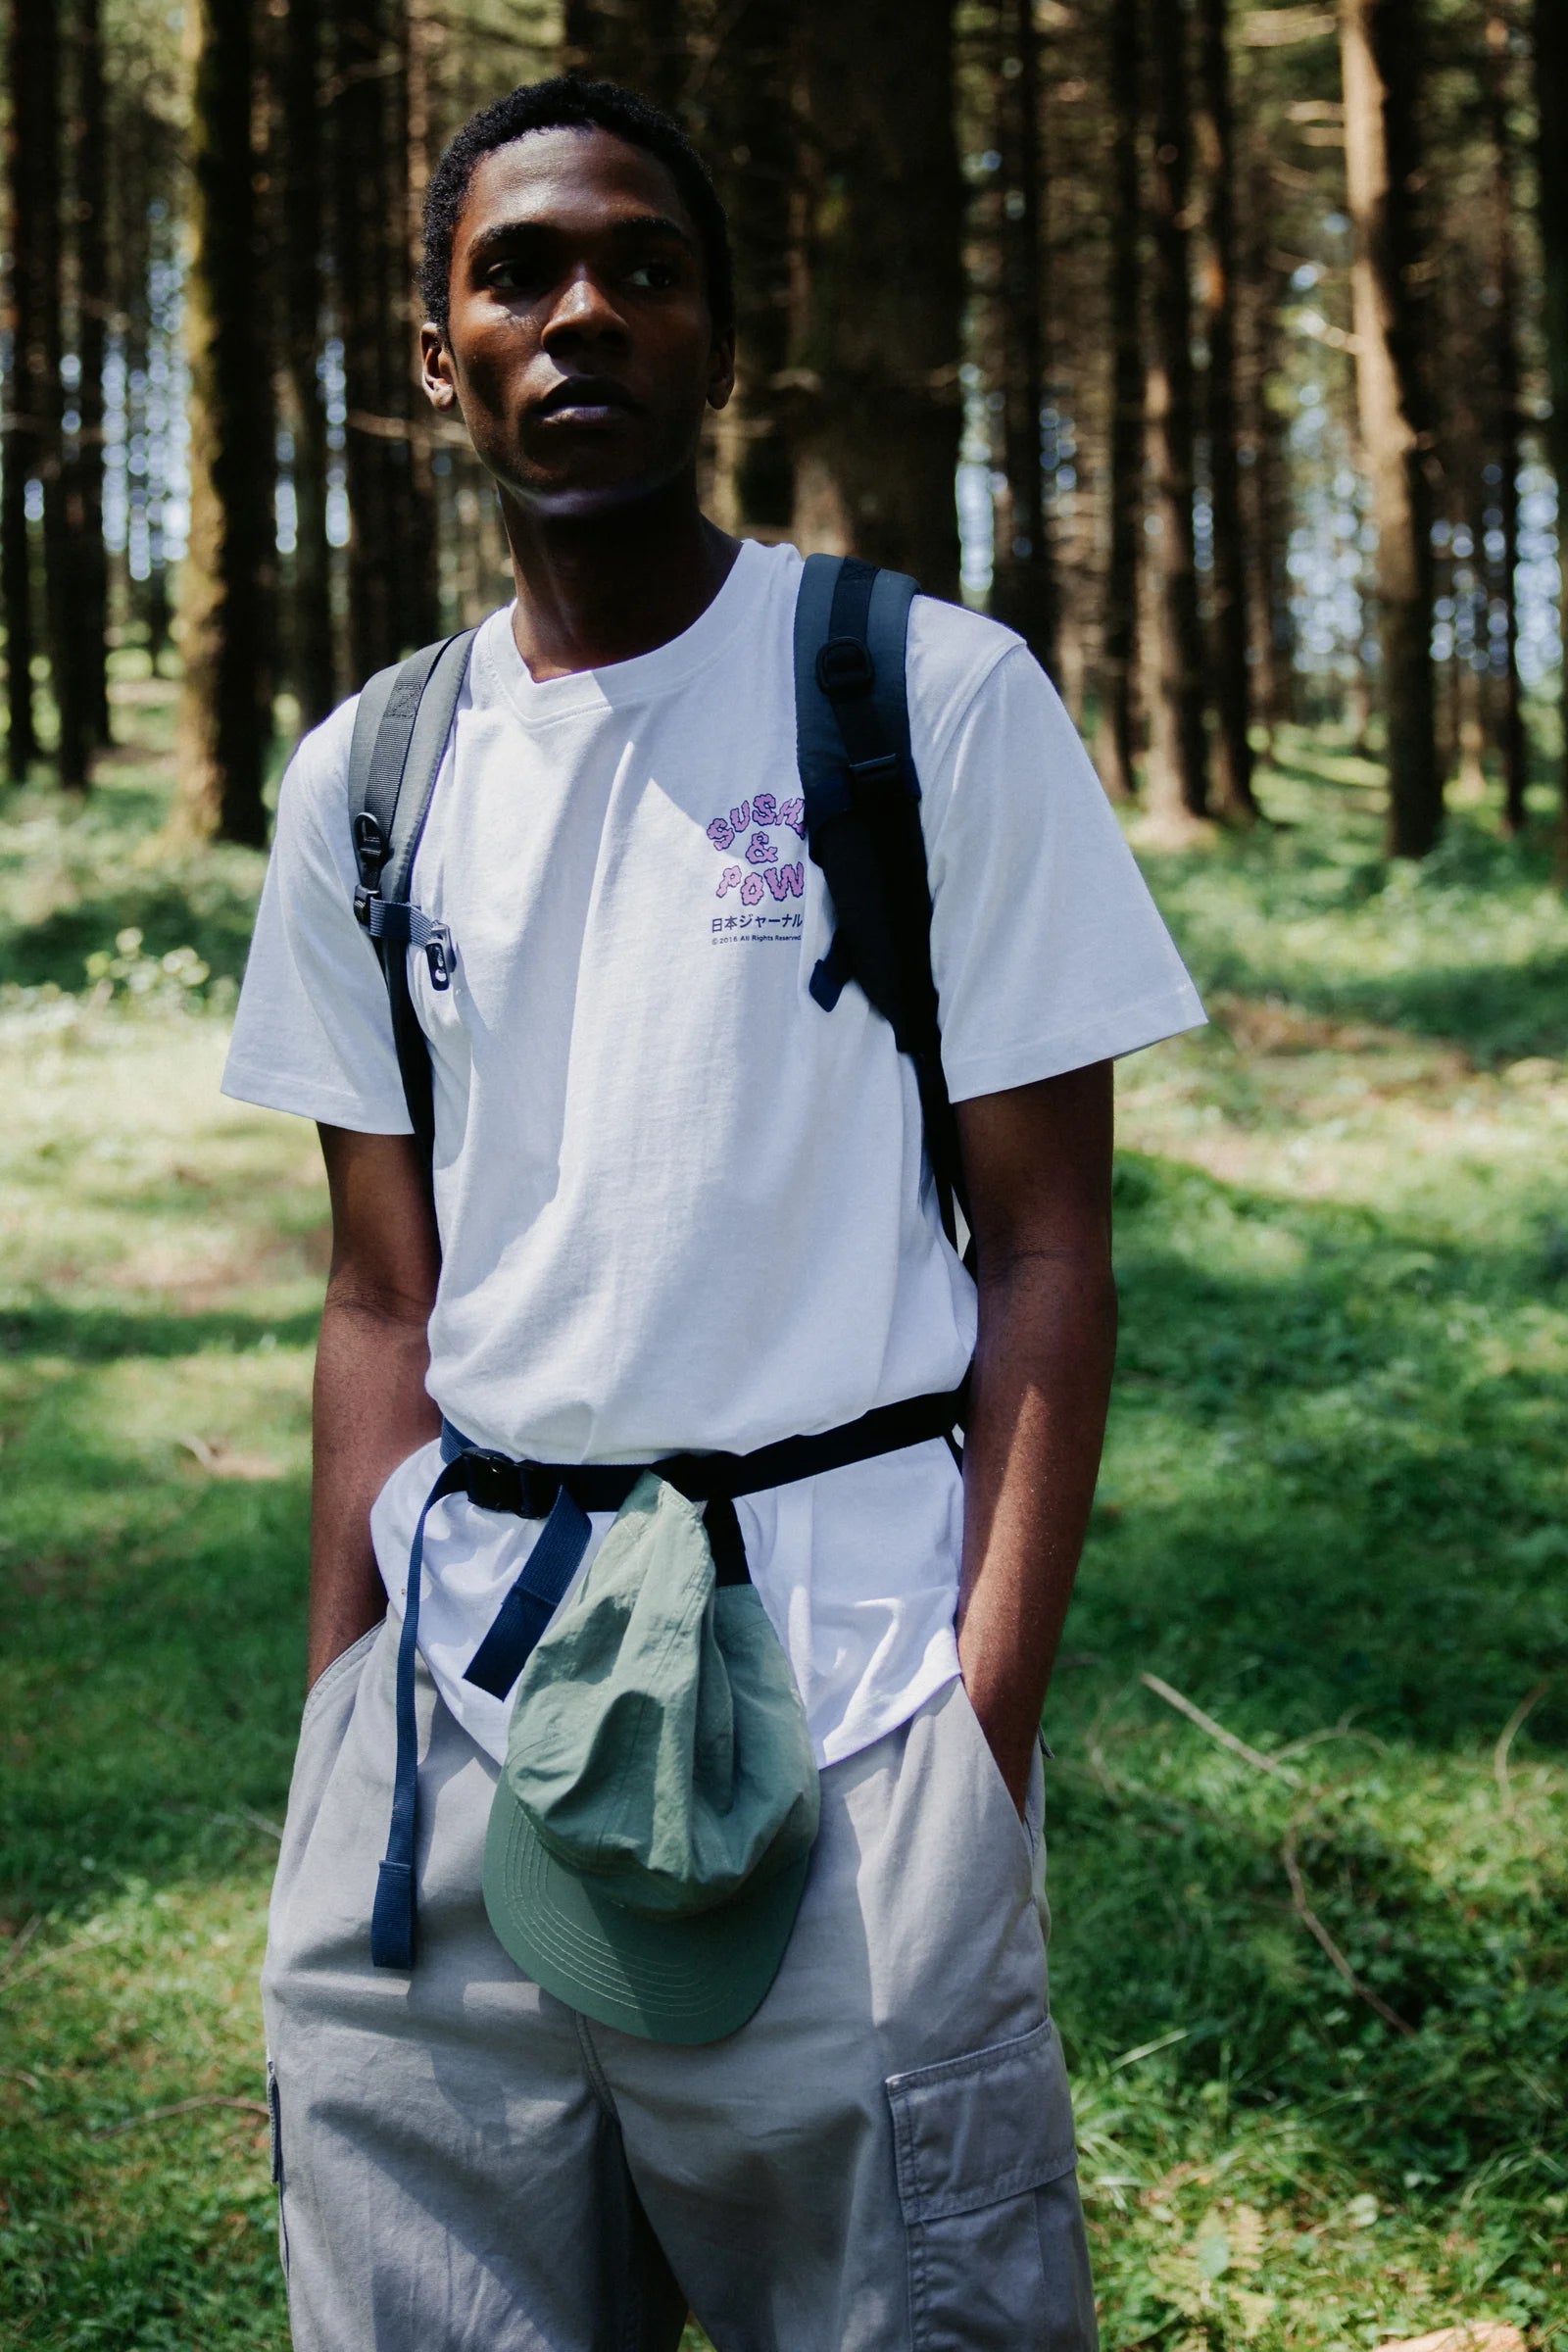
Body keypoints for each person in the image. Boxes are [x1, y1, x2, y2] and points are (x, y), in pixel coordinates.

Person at [222, 74, 1204, 2352]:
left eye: (639, 270)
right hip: (451, 1745)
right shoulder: (370, 775)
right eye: (519, 274)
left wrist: (977, 1740)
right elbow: (381, 1300)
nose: (581, 317)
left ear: (719, 341)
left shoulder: (915, 701)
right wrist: (338, 1741)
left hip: (846, 1718)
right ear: (439, 344)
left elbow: (1049, 1251)